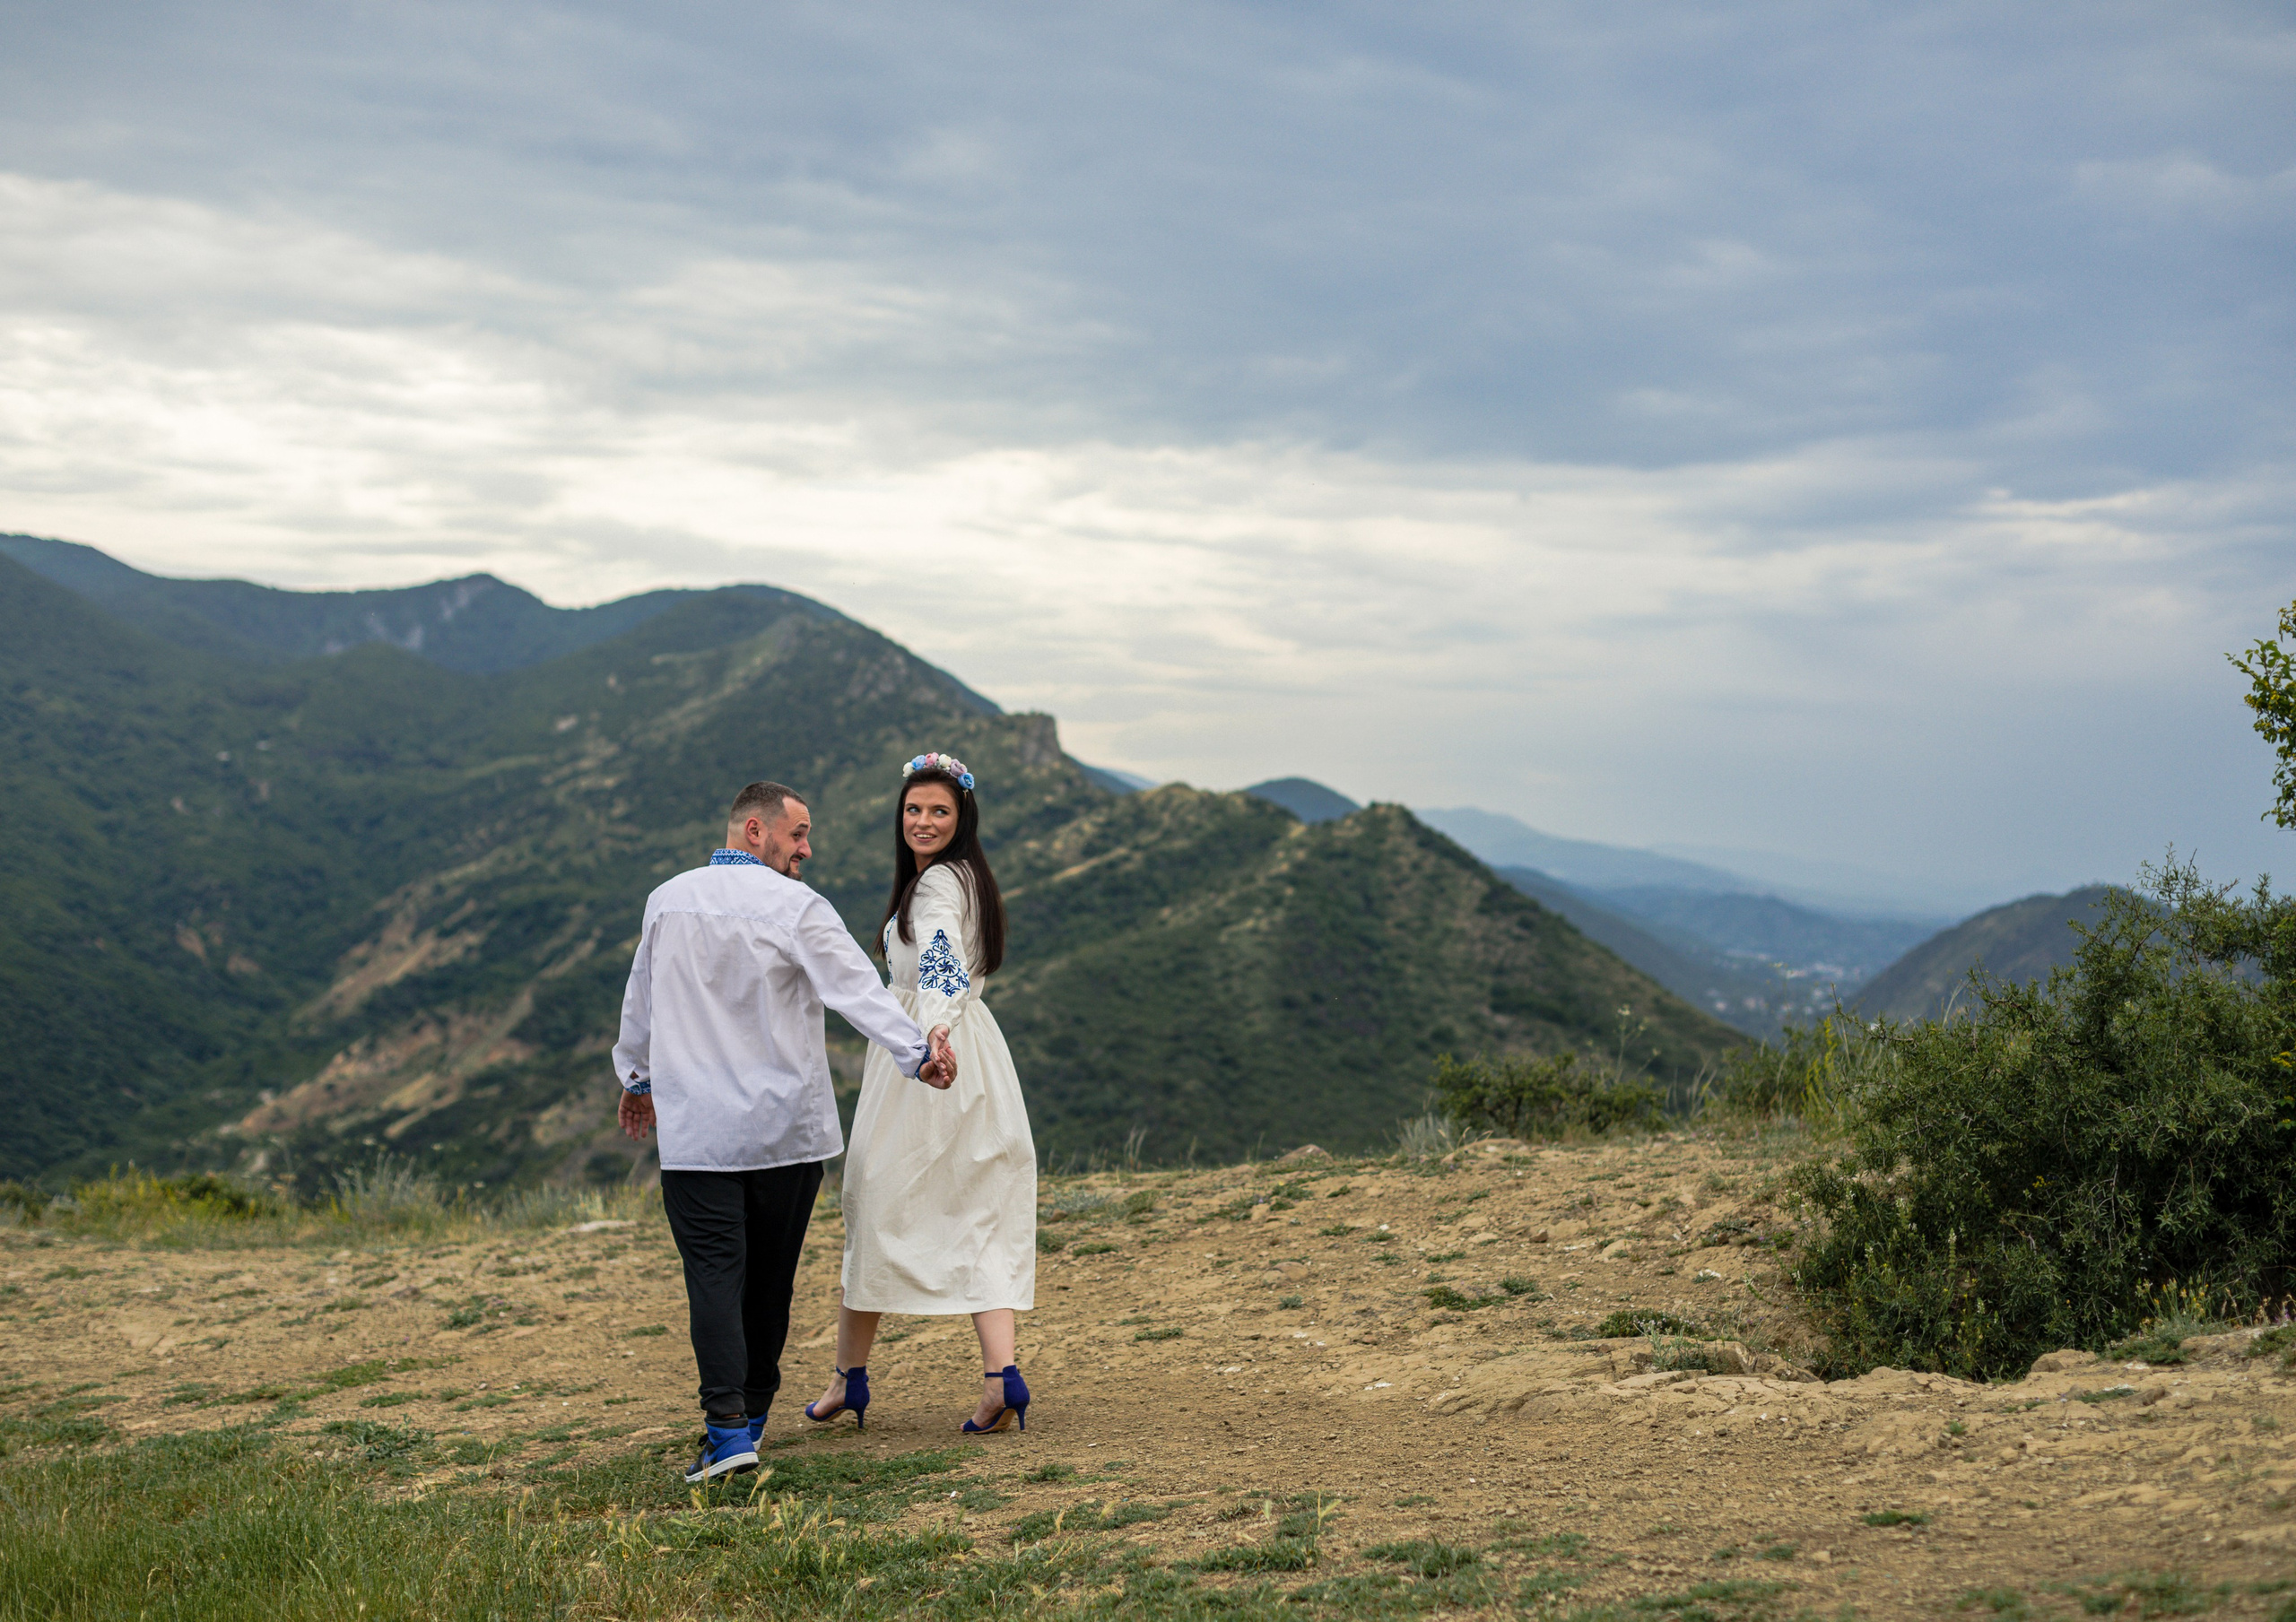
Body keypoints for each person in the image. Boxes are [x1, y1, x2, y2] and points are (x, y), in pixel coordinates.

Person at [612, 779, 957, 1484]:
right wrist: (917, 1053)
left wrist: (637, 1078)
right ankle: (752, 1417)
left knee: (714, 1278)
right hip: (786, 1133)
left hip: (699, 1135)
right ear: (754, 830)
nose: (806, 849)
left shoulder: (666, 899)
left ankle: (727, 1429)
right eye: (797, 834)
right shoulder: (799, 906)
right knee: (770, 1281)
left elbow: (640, 1001)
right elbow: (857, 990)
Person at [805, 751, 1039, 1436]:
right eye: (914, 808)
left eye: (939, 810)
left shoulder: (936, 884)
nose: (924, 821)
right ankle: (1001, 1376)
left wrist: (932, 1030)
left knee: (872, 1201)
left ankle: (849, 1376)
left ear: (962, 816)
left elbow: (941, 961)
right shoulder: (968, 877)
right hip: (976, 1051)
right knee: (977, 1206)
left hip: (930, 1056)